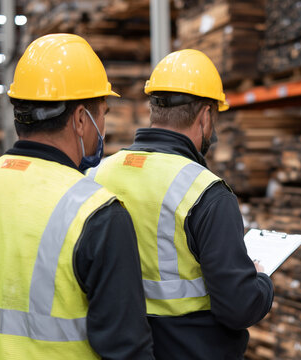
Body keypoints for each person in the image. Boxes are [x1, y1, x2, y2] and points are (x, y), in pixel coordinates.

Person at [0, 33, 154, 359]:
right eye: (102, 112)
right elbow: (127, 350)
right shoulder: (97, 214)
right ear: (81, 119)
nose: (102, 125)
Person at [87, 49, 274, 359]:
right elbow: (238, 307)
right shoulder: (208, 194)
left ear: (153, 110)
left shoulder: (96, 175)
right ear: (205, 116)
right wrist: (262, 281)